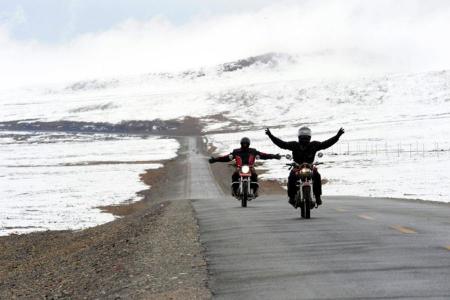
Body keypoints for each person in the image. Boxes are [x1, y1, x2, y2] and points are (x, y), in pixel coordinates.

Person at [265, 126, 345, 207]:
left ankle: (317, 197)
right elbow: (282, 144)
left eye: (306, 137)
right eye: (303, 137)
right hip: (297, 167)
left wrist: (337, 136)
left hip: (310, 167)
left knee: (317, 175)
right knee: (292, 177)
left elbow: (326, 144)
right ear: (299, 137)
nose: (304, 139)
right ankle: (292, 197)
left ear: (309, 137)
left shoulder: (314, 145)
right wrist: (270, 136)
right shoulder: (294, 145)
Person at [209, 137, 281, 196]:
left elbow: (264, 155)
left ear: (249, 144)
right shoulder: (236, 151)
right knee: (234, 175)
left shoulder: (253, 151)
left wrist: (274, 156)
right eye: (243, 143)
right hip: (239, 167)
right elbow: (227, 157)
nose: (245, 145)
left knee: (255, 175)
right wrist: (215, 159)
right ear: (241, 143)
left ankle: (255, 191)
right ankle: (234, 189)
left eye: (246, 143)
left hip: (250, 167)